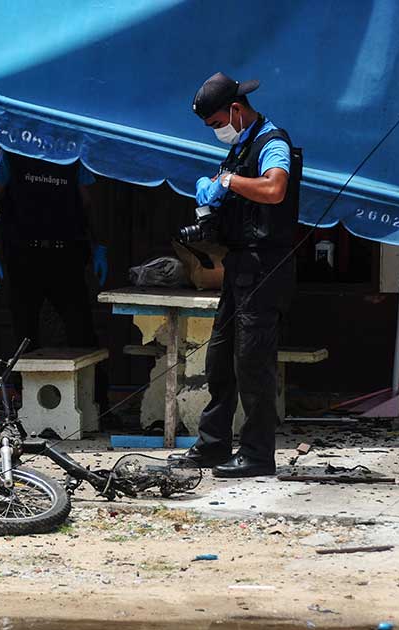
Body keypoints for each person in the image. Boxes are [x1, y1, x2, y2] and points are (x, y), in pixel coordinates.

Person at [172, 72, 298, 478]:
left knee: (253, 364)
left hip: (265, 268)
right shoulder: (240, 147)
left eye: (216, 123)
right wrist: (215, 190)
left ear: (236, 110)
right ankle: (213, 445)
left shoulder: (272, 142)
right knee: (220, 361)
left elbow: (275, 189)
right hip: (240, 266)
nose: (215, 131)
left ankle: (257, 455)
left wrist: (228, 181)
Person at [0, 151, 110, 411]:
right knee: (24, 333)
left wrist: (99, 246)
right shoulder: (11, 152)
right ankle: (25, 407)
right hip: (23, 256)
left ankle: (95, 403)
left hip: (66, 256)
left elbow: (89, 204)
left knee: (81, 331)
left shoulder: (71, 152)